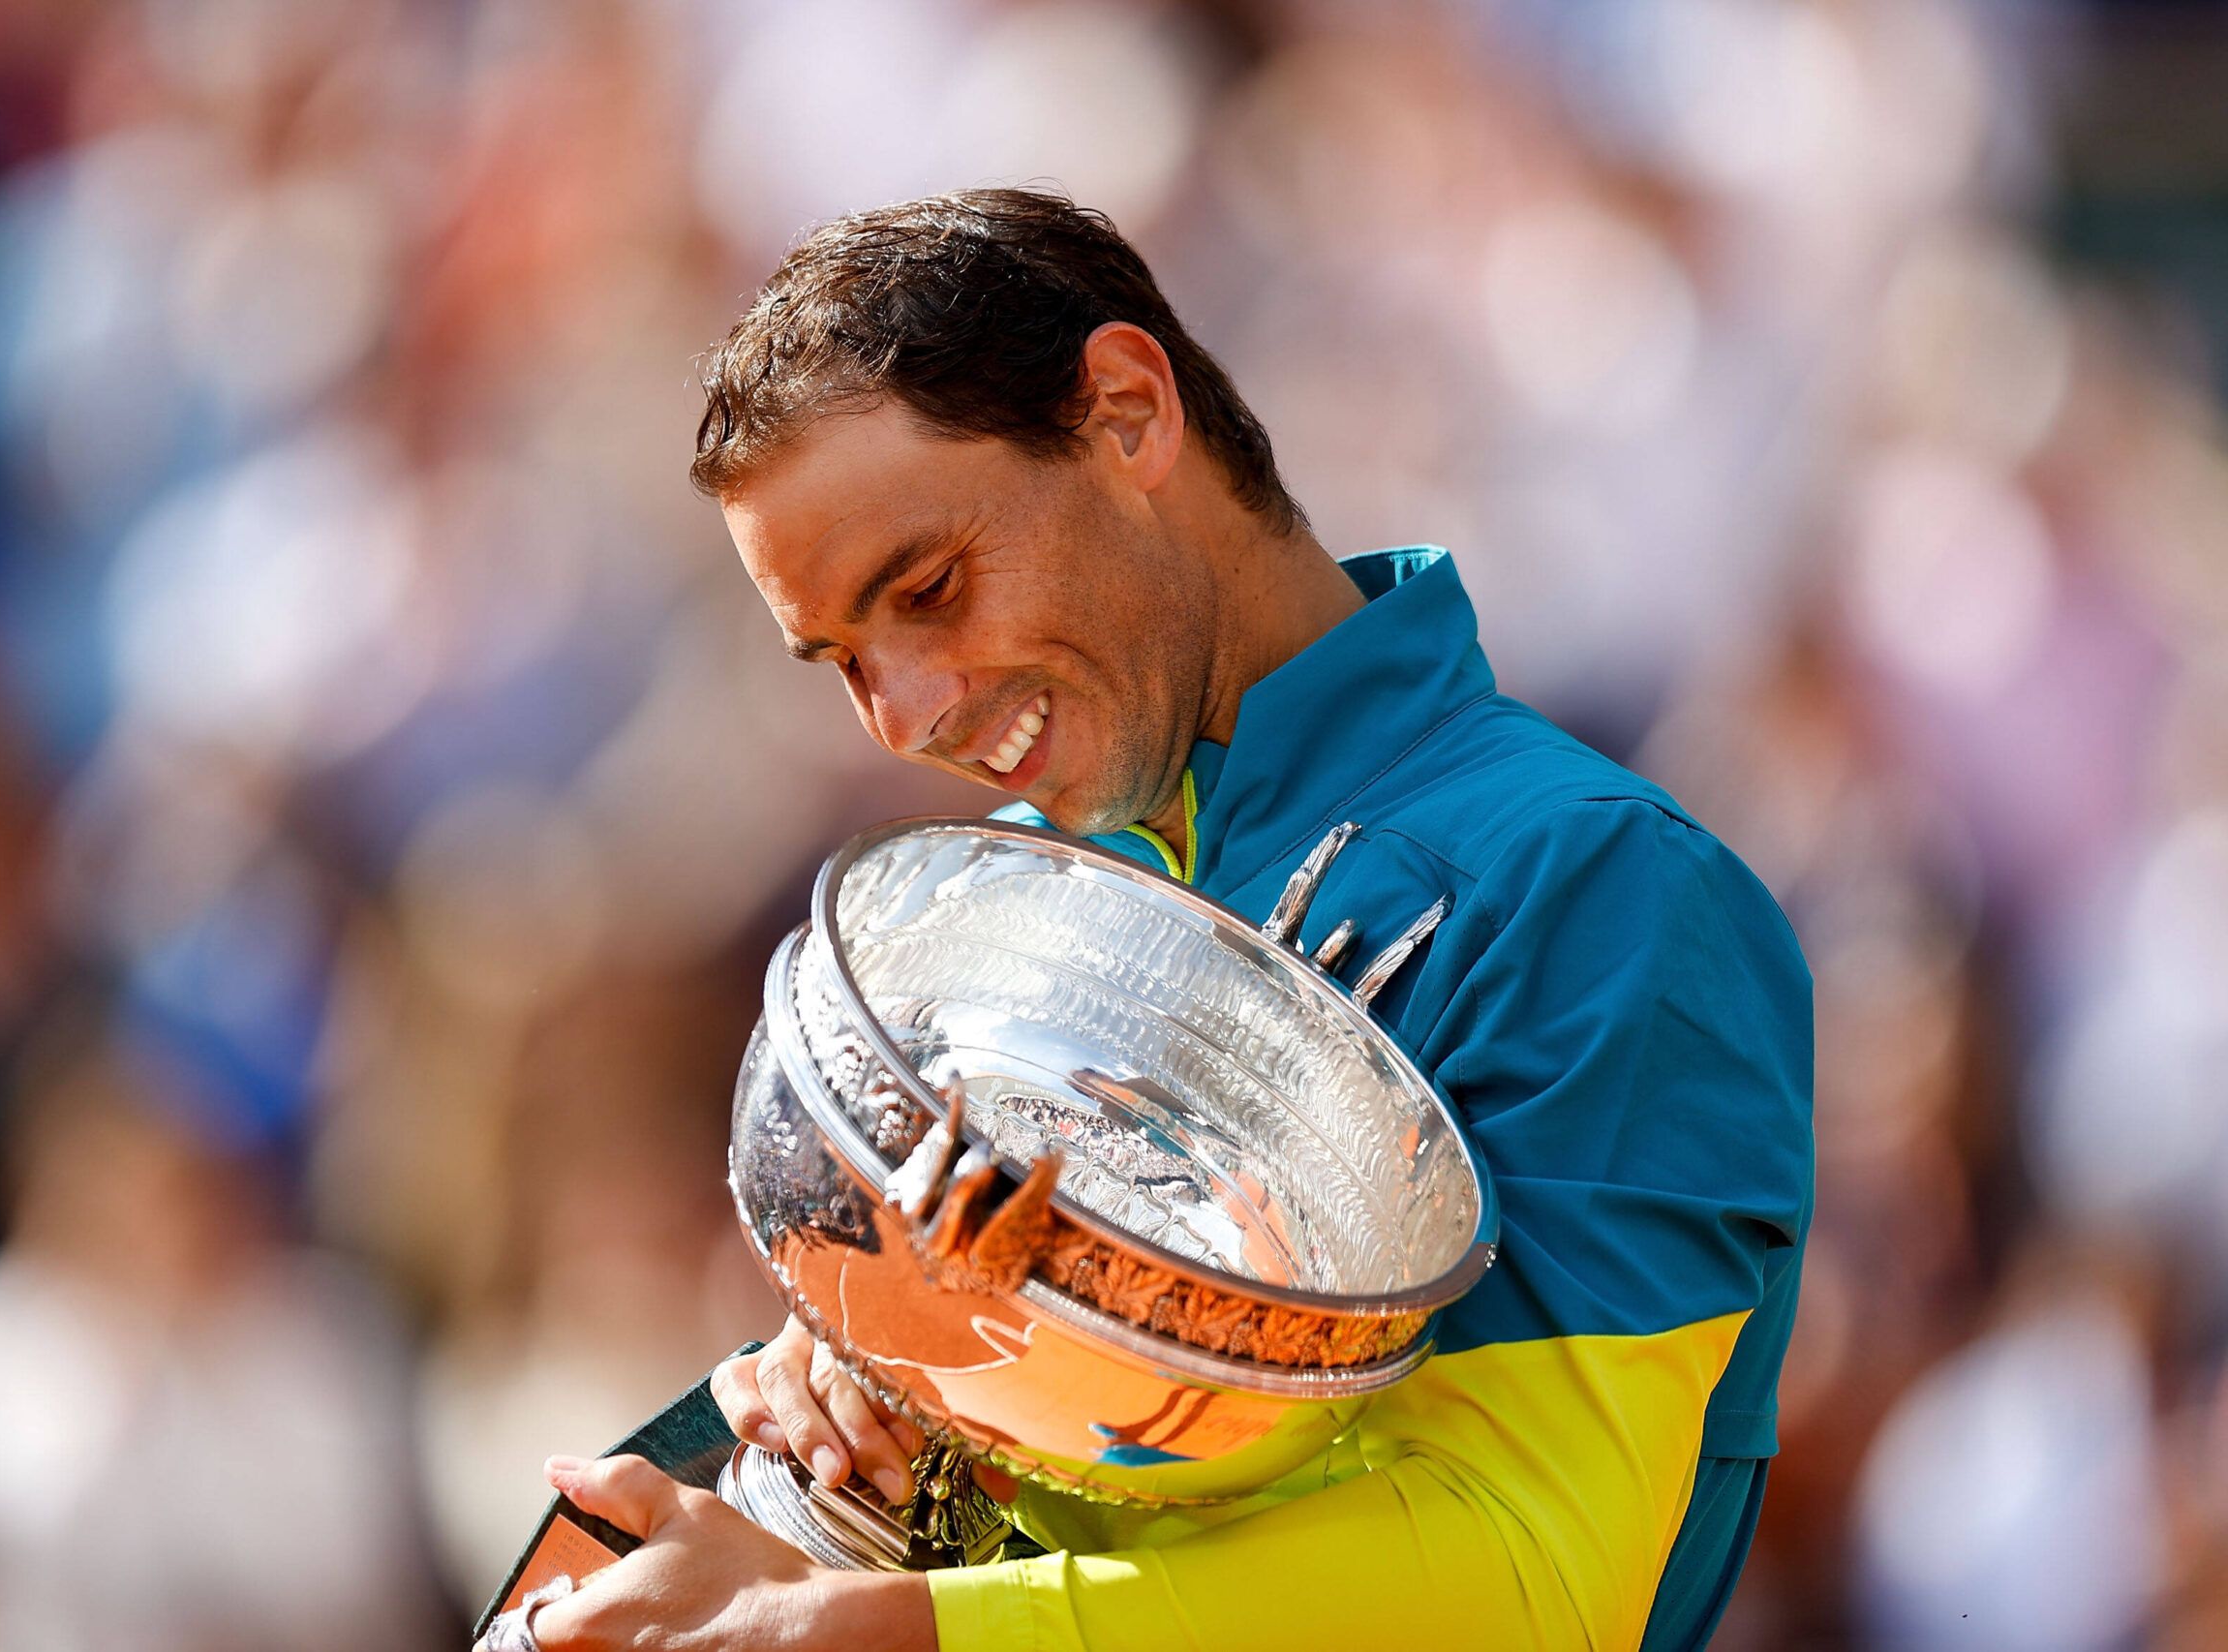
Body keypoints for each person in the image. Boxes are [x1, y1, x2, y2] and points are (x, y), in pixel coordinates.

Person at [520, 189, 1814, 1652]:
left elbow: (1537, 1579)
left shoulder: (1603, 888)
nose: (910, 715)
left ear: (1130, 414)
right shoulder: (988, 919)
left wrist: (866, 1628)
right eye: (842, 660)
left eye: (932, 587)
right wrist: (853, 1419)